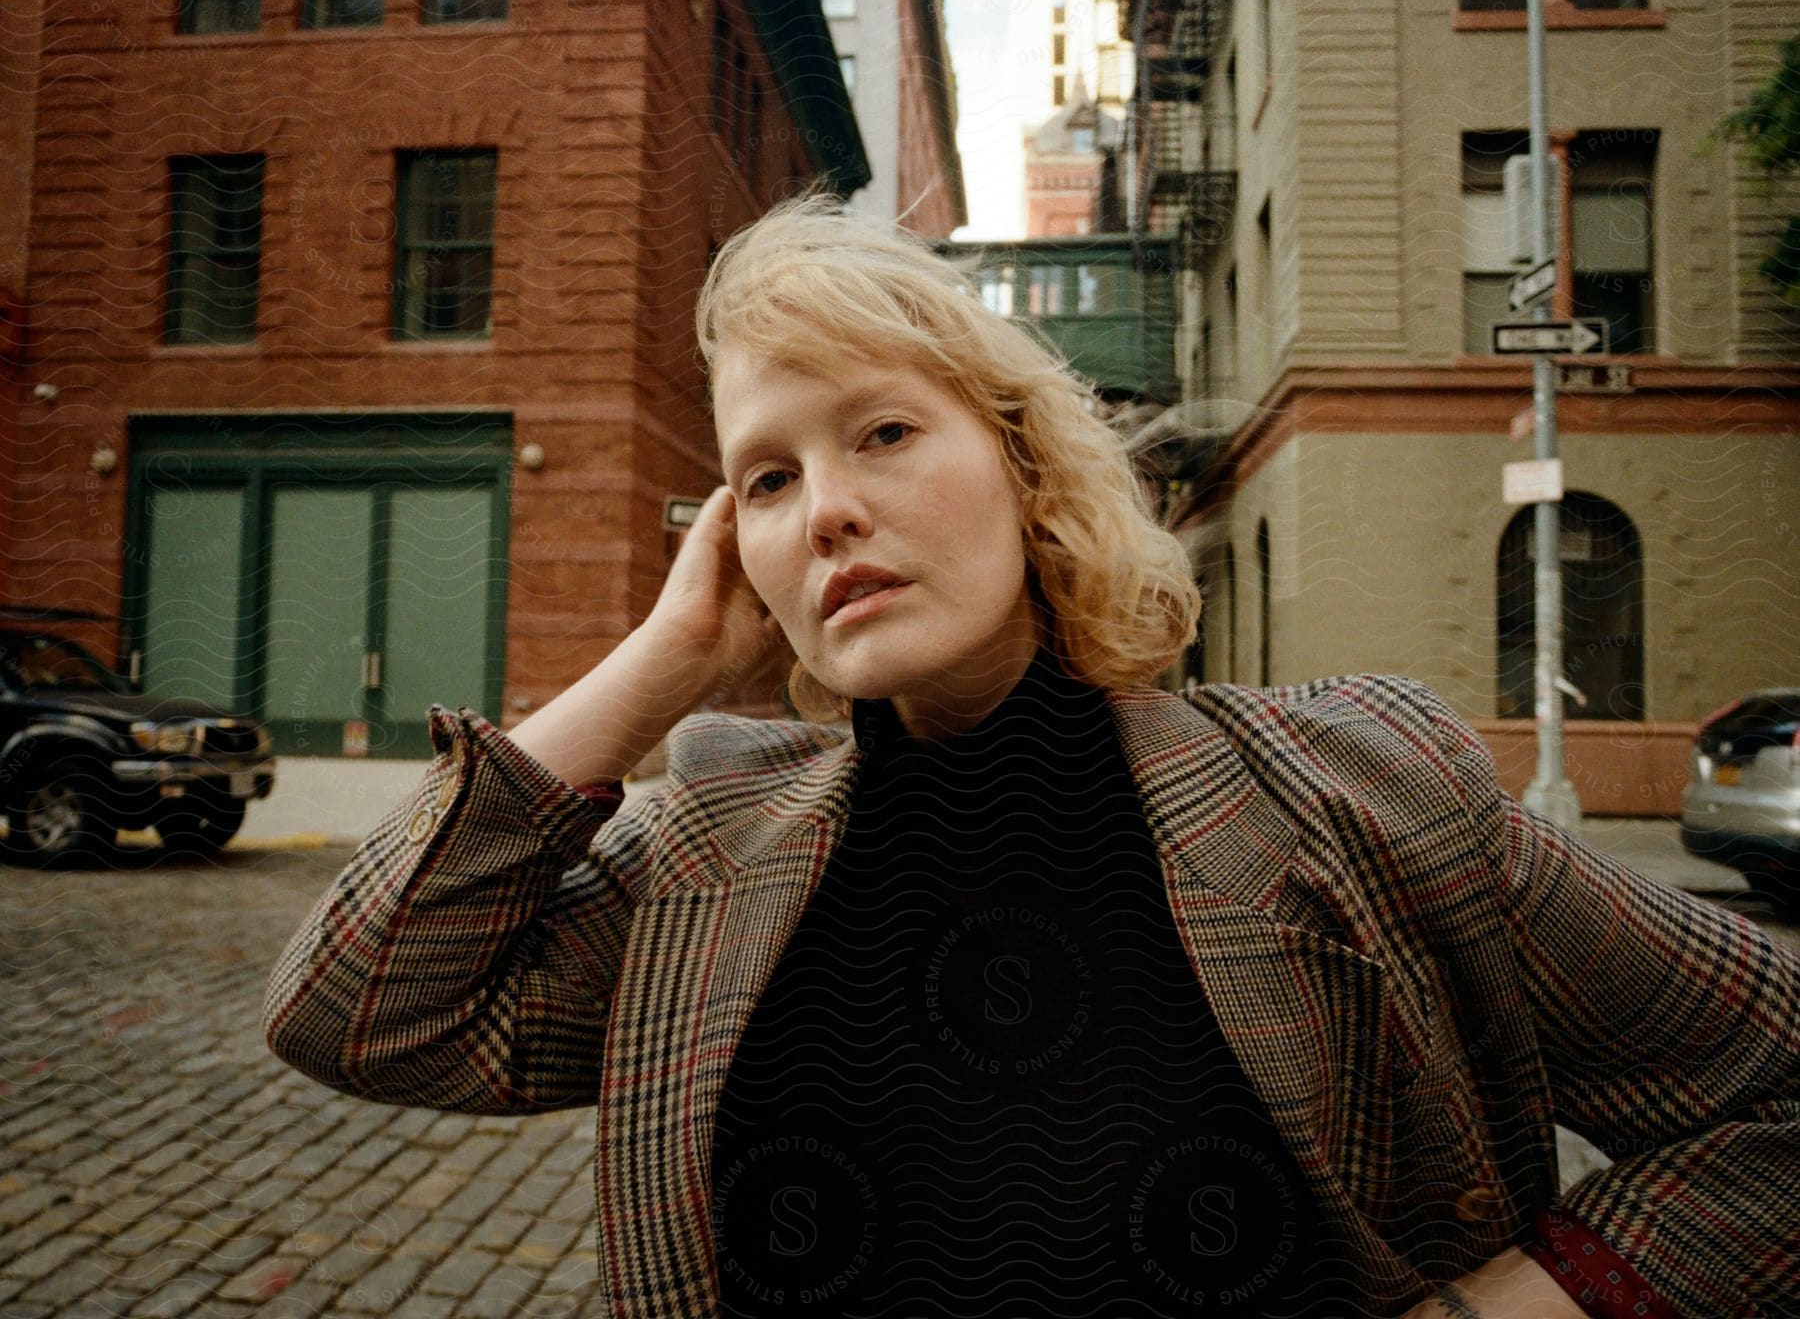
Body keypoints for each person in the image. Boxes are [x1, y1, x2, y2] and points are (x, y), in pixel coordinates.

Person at [264, 197, 1799, 1319]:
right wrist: (665, 664)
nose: (829, 512)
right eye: (768, 480)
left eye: (882, 435)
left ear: (1023, 464)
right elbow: (360, 1013)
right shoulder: (717, 852)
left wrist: (1505, 1311)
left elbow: (1775, 1089)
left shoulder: (1357, 789)